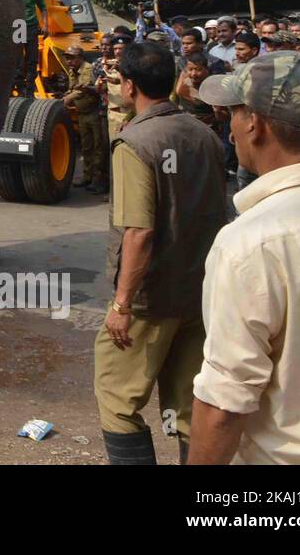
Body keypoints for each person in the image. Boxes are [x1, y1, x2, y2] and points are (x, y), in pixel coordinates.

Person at [190, 52, 300, 464]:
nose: (230, 128)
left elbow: (224, 404)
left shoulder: (249, 243)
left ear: (254, 123)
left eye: (233, 112)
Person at [95, 42, 228, 466]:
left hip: (149, 303)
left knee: (118, 400)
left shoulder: (134, 142)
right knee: (188, 405)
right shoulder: (204, 134)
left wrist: (122, 304)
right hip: (198, 295)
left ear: (129, 86)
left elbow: (139, 232)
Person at [60, 44, 104, 193]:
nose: (69, 61)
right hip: (82, 112)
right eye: (67, 58)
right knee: (86, 147)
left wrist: (67, 99)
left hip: (93, 112)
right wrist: (65, 95)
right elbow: (72, 88)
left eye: (71, 58)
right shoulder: (73, 70)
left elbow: (82, 89)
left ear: (80, 58)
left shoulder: (87, 69)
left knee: (98, 147)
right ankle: (87, 176)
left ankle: (97, 180)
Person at [11, 0, 47, 95]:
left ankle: (30, 90)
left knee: (32, 60)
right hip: (17, 26)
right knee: (18, 61)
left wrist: (45, 24)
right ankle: (19, 89)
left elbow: (43, 8)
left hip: (31, 26)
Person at [170, 52, 216, 126]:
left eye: (198, 69)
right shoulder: (184, 82)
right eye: (190, 69)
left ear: (206, 69)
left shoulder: (212, 85)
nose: (193, 73)